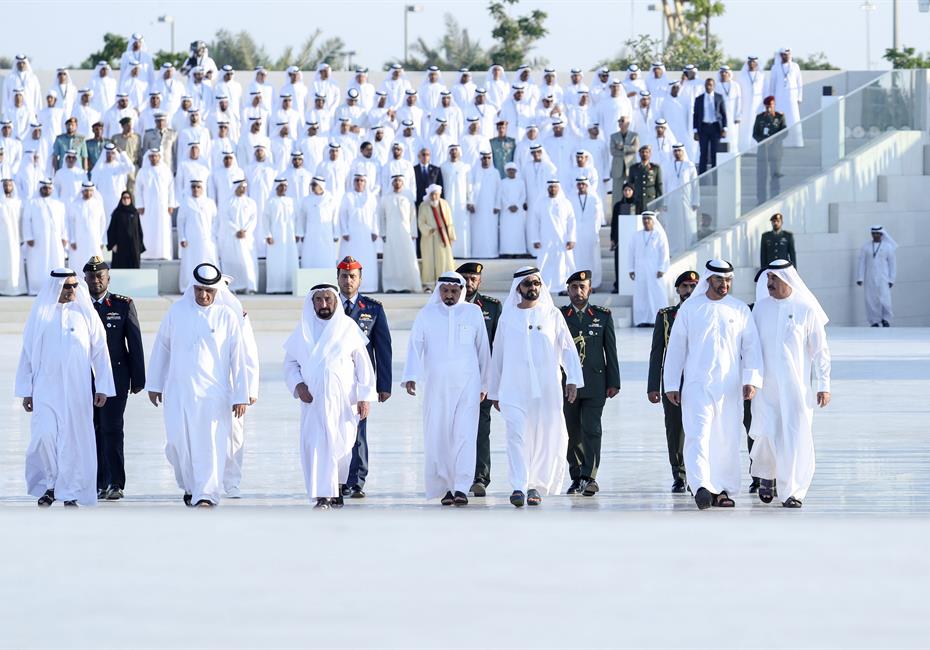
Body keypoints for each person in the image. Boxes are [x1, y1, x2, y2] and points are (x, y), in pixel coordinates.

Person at [146, 263, 250, 508]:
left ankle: (206, 493)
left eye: (209, 291)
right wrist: (154, 384)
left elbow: (239, 358)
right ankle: (191, 487)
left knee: (210, 445)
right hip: (178, 392)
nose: (203, 296)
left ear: (216, 291)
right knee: (177, 444)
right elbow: (162, 347)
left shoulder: (227, 317)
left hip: (214, 395)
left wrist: (241, 395)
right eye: (199, 290)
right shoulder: (176, 311)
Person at [663, 260, 763, 510]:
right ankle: (701, 487)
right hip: (697, 386)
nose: (724, 285)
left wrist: (751, 379)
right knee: (698, 435)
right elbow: (675, 348)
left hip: (730, 388)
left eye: (728, 280)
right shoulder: (691, 309)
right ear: (709, 280)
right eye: (720, 280)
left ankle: (723, 490)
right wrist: (672, 383)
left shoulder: (739, 310)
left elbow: (751, 348)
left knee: (726, 438)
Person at [15, 268, 114, 507]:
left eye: (74, 286)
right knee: (44, 436)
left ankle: (69, 490)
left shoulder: (86, 313)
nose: (71, 290)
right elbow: (27, 354)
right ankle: (49, 484)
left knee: (74, 440)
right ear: (56, 288)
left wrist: (102, 386)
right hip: (45, 389)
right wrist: (26, 390)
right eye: (67, 286)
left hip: (77, 390)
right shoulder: (40, 314)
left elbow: (100, 352)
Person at [488, 267, 584, 507]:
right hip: (513, 388)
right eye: (527, 284)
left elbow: (568, 349)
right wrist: (495, 391)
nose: (532, 288)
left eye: (536, 283)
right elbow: (497, 355)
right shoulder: (507, 317)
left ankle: (536, 486)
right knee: (516, 435)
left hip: (546, 389)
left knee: (545, 437)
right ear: (518, 288)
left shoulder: (552, 314)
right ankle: (519, 485)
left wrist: (573, 379)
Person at [402, 272, 491, 506]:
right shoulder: (427, 314)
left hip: (468, 386)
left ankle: (461, 487)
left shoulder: (473, 313)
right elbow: (414, 346)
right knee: (438, 436)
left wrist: (485, 383)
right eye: (445, 291)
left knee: (465, 435)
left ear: (461, 291)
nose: (449, 295)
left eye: (454, 291)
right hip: (436, 386)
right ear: (439, 291)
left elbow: (483, 349)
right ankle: (445, 488)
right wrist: (411, 375)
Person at [284, 283, 375, 509]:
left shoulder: (347, 327)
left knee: (341, 446)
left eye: (328, 299)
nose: (323, 304)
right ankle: (322, 494)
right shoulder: (304, 328)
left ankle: (336, 488)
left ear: (335, 301)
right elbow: (289, 364)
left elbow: (364, 365)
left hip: (344, 400)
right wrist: (299, 385)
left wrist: (365, 396)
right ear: (312, 302)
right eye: (318, 300)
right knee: (316, 446)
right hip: (313, 400)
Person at [749, 260, 831, 508]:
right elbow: (750, 349)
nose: (769, 283)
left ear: (788, 280)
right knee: (766, 431)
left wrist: (823, 384)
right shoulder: (760, 309)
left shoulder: (806, 309)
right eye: (768, 278)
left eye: (774, 278)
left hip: (796, 389)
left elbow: (820, 351)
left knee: (794, 436)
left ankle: (793, 491)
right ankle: (766, 476)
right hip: (765, 387)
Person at [82, 256, 145, 500]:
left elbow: (135, 343)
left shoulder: (122, 304)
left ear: (108, 278)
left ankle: (116, 482)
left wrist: (138, 379)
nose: (96, 280)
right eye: (91, 276)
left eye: (100, 276)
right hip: (85, 377)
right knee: (91, 430)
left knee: (112, 428)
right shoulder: (79, 305)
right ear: (85, 279)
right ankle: (97, 482)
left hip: (116, 377)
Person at [560, 270, 621, 496]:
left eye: (582, 287)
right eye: (574, 287)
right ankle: (576, 476)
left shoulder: (602, 315)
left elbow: (610, 351)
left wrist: (614, 381)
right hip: (566, 385)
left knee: (592, 429)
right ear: (567, 290)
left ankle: (590, 476)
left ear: (590, 289)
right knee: (571, 431)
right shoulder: (559, 316)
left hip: (595, 381)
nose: (578, 291)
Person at [337, 256, 392, 497]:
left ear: (360, 279)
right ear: (337, 278)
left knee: (358, 430)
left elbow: (383, 348)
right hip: (335, 379)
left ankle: (356, 481)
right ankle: (337, 478)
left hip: (361, 379)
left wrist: (383, 385)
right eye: (343, 276)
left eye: (352, 276)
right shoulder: (326, 304)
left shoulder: (372, 308)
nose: (348, 281)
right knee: (335, 430)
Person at [647, 270, 699, 493]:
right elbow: (657, 352)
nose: (689, 291)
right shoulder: (666, 316)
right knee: (675, 429)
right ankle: (679, 474)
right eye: (685, 287)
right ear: (677, 290)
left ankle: (699, 473)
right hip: (673, 383)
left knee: (700, 428)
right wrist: (652, 386)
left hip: (699, 381)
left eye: (693, 286)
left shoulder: (705, 312)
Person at [455, 262, 501, 496]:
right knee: (456, 429)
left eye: (473, 278)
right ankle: (456, 474)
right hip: (455, 380)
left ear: (480, 281)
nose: (469, 283)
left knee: (482, 428)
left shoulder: (492, 307)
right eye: (465, 278)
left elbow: (499, 346)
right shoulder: (451, 305)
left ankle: (480, 477)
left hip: (483, 379)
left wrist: (496, 383)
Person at [218, 275, 260, 499]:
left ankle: (232, 482)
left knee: (234, 436)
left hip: (235, 386)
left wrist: (249, 390)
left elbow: (249, 354)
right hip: (205, 387)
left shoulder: (239, 316)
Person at [528, 179, 576, 293]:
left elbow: (571, 221)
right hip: (545, 239)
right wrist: (535, 239)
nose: (553, 189)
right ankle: (544, 287)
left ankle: (563, 287)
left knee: (562, 264)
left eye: (555, 187)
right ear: (547, 188)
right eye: (550, 187)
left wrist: (571, 238)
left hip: (562, 240)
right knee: (544, 262)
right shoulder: (540, 203)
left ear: (558, 188)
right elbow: (535, 222)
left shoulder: (566, 203)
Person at [22, 178, 66, 295]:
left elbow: (63, 222)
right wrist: (28, 237)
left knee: (55, 261)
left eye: (49, 188)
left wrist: (64, 236)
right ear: (40, 189)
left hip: (55, 240)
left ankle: (56, 288)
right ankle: (37, 288)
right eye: (44, 188)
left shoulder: (58, 204)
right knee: (37, 263)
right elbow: (26, 221)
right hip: (37, 240)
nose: (46, 190)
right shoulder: (32, 202)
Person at [378, 174, 420, 293]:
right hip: (390, 233)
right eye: (395, 181)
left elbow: (413, 216)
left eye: (399, 181)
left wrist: (413, 233)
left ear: (403, 182)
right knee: (391, 260)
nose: (397, 183)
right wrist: (383, 233)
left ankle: (407, 285)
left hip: (405, 233)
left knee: (406, 259)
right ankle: (390, 285)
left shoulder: (408, 197)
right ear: (392, 183)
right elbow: (382, 217)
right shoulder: (386, 197)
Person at [339, 174, 380, 292]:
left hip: (367, 234)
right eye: (357, 180)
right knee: (352, 260)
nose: (359, 182)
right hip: (351, 235)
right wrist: (344, 231)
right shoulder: (347, 196)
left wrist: (375, 230)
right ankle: (350, 286)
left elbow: (375, 215)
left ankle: (368, 286)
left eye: (362, 180)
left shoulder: (371, 197)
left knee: (367, 260)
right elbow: (342, 215)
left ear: (365, 182)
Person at [628, 212, 670, 327]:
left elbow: (664, 253)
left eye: (648, 219)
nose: (646, 221)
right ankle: (642, 320)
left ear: (653, 221)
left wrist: (662, 268)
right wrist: (631, 269)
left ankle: (657, 319)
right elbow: (631, 253)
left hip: (655, 271)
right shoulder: (636, 235)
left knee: (656, 294)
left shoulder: (659, 235)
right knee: (641, 296)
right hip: (640, 271)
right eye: (644, 219)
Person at [218, 177, 259, 294]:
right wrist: (236, 230)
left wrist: (245, 231)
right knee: (232, 262)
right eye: (240, 187)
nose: (243, 190)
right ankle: (232, 287)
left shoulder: (250, 202)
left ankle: (250, 287)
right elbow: (225, 219)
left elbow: (253, 219)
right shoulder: (227, 203)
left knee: (248, 262)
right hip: (232, 238)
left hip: (247, 238)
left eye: (244, 187)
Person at [135, 148, 177, 260]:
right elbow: (138, 190)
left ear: (159, 157)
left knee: (162, 230)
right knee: (147, 229)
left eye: (156, 156)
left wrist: (171, 204)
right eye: (151, 156)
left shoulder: (166, 171)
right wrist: (140, 205)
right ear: (148, 158)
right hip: (147, 207)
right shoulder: (142, 172)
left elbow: (171, 189)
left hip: (163, 207)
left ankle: (163, 253)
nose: (154, 158)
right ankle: (146, 254)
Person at [568, 177, 604, 291]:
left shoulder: (594, 198)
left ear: (587, 185)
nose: (581, 186)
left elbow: (598, 218)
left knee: (592, 259)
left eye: (583, 184)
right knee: (576, 259)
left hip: (591, 234)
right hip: (576, 235)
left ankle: (593, 284)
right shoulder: (571, 199)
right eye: (579, 184)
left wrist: (595, 231)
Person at [263, 177, 299, 294]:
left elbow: (297, 219)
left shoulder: (291, 201)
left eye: (285, 186)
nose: (283, 189)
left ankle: (289, 288)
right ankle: (275, 288)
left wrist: (298, 233)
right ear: (276, 187)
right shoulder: (270, 201)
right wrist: (268, 235)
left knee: (290, 260)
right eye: (281, 186)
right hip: (275, 237)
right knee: (276, 261)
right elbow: (265, 220)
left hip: (289, 237)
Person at [857, 225, 897, 327]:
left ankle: (886, 319)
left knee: (885, 300)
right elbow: (862, 263)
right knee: (871, 299)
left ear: (881, 234)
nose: (875, 235)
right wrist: (860, 278)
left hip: (884, 278)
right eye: (873, 234)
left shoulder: (888, 247)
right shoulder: (866, 247)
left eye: (877, 234)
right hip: (869, 277)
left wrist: (892, 279)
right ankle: (874, 321)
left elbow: (892, 264)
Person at [418, 184, 456, 289]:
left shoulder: (444, 204)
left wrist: (451, 235)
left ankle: (447, 282)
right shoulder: (423, 205)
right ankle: (429, 285)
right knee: (429, 260)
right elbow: (421, 222)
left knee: (445, 259)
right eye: (432, 195)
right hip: (429, 237)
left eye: (436, 194)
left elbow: (449, 221)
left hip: (443, 236)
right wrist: (429, 229)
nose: (434, 197)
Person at [298, 176, 340, 268]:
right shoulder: (306, 200)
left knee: (327, 258)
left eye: (314, 184)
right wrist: (300, 233)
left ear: (321, 185)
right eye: (311, 184)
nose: (312, 187)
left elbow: (335, 217)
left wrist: (336, 234)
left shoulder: (331, 199)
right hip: (311, 233)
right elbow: (302, 218)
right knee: (309, 257)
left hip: (326, 233)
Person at [752, 96, 787, 203]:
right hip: (763, 152)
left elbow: (784, 132)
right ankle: (761, 199)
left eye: (770, 106)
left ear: (774, 105)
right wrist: (763, 140)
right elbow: (755, 134)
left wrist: (774, 140)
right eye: (767, 106)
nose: (768, 108)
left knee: (775, 175)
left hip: (775, 151)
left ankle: (775, 197)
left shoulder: (779, 117)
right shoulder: (760, 117)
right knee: (761, 176)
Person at [66, 181, 107, 270]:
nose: (88, 193)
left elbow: (103, 222)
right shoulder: (75, 205)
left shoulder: (98, 204)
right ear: (82, 191)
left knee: (96, 260)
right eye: (86, 191)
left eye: (90, 191)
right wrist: (72, 240)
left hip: (94, 239)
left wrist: (101, 240)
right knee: (78, 261)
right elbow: (70, 223)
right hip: (78, 240)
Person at [767, 48, 803, 148]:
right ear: (780, 56)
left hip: (792, 98)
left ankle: (795, 142)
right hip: (779, 98)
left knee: (793, 118)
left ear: (790, 55)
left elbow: (799, 83)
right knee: (778, 119)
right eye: (783, 54)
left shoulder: (795, 66)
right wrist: (771, 99)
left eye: (787, 54)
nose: (785, 56)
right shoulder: (775, 67)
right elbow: (772, 85)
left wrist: (799, 97)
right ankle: (779, 141)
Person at [468, 150, 501, 258]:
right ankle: (477, 253)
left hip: (491, 207)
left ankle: (491, 253)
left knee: (490, 229)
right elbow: (470, 188)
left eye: (488, 158)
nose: (486, 160)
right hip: (477, 208)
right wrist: (471, 202)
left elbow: (499, 190)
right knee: (477, 230)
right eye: (484, 158)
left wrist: (497, 205)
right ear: (480, 159)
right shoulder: (474, 171)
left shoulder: (495, 172)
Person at [692, 77, 727, 174]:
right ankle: (702, 175)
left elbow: (723, 114)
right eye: (707, 85)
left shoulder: (719, 97)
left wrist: (724, 128)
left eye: (710, 85)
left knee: (714, 152)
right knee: (703, 153)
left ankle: (715, 174)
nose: (708, 87)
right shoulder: (699, 99)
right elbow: (695, 115)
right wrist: (695, 131)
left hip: (716, 128)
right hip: (703, 128)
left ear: (714, 86)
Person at [497, 163, 527, 258]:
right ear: (506, 171)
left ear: (516, 171)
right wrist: (508, 206)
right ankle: (507, 252)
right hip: (506, 212)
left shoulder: (521, 182)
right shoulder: (503, 182)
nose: (511, 171)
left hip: (518, 212)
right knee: (506, 232)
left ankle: (519, 252)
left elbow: (523, 196)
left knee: (518, 232)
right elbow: (501, 196)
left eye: (513, 170)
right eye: (509, 170)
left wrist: (517, 205)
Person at [738, 56, 766, 153]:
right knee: (745, 127)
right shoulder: (742, 76)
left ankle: (755, 149)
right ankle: (744, 148)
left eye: (754, 62)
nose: (751, 64)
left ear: (757, 63)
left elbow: (765, 91)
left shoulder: (761, 76)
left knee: (757, 126)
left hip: (758, 106)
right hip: (745, 107)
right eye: (750, 62)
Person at [0, 187, 23, 295]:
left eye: (9, 185)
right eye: (5, 186)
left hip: (15, 239)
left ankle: (15, 287)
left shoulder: (18, 203)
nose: (7, 188)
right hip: (2, 239)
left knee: (14, 263)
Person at [628, 145, 663, 213]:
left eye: (647, 152)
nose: (644, 154)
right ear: (639, 154)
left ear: (650, 154)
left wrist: (659, 204)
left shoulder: (655, 168)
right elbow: (630, 185)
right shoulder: (633, 168)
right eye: (642, 152)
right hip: (637, 201)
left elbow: (659, 186)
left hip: (651, 201)